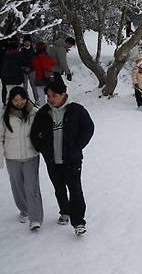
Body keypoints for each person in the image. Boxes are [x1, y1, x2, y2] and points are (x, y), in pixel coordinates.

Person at [30, 77, 94, 236]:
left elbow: (88, 128)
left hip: (72, 159)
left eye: (54, 96)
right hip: (52, 159)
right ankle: (65, 211)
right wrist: (43, 149)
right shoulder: (43, 113)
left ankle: (78, 221)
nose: (50, 99)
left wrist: (77, 147)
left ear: (64, 94)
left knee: (75, 189)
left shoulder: (76, 110)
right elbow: (34, 134)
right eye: (48, 96)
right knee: (59, 188)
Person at [1, 87, 43, 230]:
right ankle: (24, 209)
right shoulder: (4, 115)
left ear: (27, 98)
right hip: (12, 157)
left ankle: (35, 218)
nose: (19, 103)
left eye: (22, 99)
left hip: (31, 156)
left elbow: (42, 132)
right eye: (16, 100)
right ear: (11, 100)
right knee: (17, 187)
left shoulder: (35, 113)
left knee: (32, 187)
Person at [20, 36, 38, 103]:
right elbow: (19, 61)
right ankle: (26, 100)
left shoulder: (33, 50)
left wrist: (31, 68)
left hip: (32, 71)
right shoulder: (21, 50)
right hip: (23, 71)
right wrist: (23, 67)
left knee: (34, 85)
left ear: (30, 43)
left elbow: (35, 61)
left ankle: (37, 100)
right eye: (25, 42)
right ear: (24, 42)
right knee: (24, 87)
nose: (27, 43)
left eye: (28, 42)